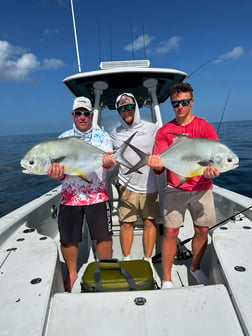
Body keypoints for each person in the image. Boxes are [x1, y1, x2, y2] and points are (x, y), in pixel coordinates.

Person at [147, 82, 220, 289]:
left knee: (202, 231)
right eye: (175, 103)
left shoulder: (204, 127)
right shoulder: (165, 131)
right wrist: (156, 165)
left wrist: (212, 170)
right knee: (170, 233)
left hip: (202, 188)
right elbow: (160, 169)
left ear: (192, 101)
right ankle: (167, 279)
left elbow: (213, 160)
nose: (180, 106)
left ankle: (195, 267)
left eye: (184, 102)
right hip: (175, 189)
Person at [48, 96, 113, 292]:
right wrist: (56, 175)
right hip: (70, 197)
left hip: (98, 195)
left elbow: (106, 168)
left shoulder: (103, 137)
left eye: (86, 113)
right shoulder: (63, 139)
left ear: (92, 115)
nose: (82, 117)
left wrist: (108, 164)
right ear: (73, 115)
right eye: (79, 113)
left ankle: (106, 270)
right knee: (68, 239)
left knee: (103, 236)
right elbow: (61, 171)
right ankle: (72, 273)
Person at [109, 93, 160, 269]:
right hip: (126, 185)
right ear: (118, 112)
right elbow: (107, 157)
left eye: (129, 107)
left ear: (136, 107)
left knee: (149, 222)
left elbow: (163, 150)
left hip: (150, 184)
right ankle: (127, 258)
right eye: (122, 109)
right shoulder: (114, 134)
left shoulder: (153, 128)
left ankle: (147, 259)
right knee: (126, 224)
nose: (126, 111)